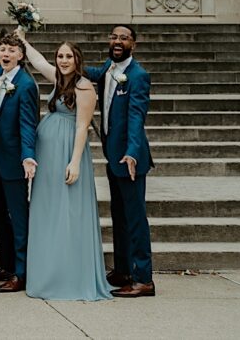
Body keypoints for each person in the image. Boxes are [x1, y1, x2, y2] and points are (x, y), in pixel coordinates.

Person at [16, 31, 112, 301]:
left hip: (67, 152)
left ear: (77, 59)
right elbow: (37, 61)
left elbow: (82, 126)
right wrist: (23, 40)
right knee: (48, 210)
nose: (63, 60)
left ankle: (70, 276)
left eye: (68, 56)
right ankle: (49, 271)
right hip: (48, 155)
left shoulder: (84, 87)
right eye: (60, 56)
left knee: (68, 211)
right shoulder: (58, 80)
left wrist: (75, 161)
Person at [84, 25, 154, 298]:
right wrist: (69, 62)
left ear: (133, 44)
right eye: (113, 37)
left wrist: (133, 152)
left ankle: (143, 278)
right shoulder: (109, 68)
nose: (117, 41)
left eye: (123, 38)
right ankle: (123, 270)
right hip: (113, 156)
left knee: (135, 219)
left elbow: (137, 117)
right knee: (120, 216)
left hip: (130, 158)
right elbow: (92, 74)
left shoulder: (138, 76)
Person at [0, 32, 39, 293]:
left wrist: (28, 156)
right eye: (2, 49)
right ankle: (5, 265)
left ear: (20, 55)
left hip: (13, 160)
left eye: (11, 50)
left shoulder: (26, 85)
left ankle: (22, 272)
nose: (5, 54)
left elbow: (28, 124)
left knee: (18, 218)